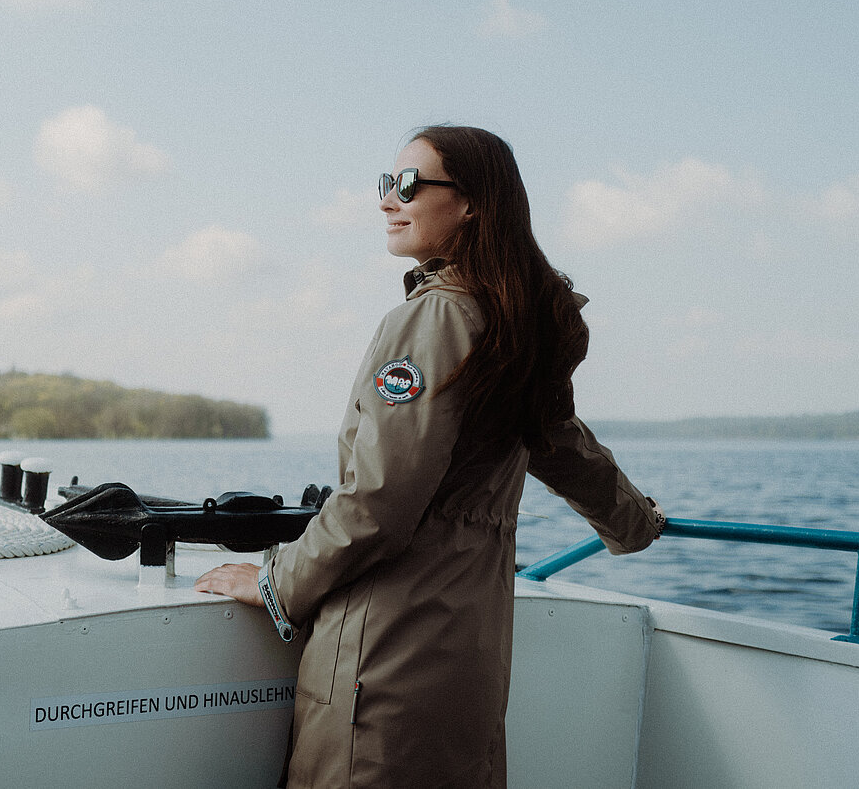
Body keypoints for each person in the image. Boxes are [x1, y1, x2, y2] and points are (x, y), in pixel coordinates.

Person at [194, 125, 664, 789]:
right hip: (466, 651)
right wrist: (635, 521)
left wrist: (275, 579)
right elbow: (561, 441)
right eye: (385, 184)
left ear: (473, 203)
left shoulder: (432, 320)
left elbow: (379, 502)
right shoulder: (514, 326)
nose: (388, 199)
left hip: (385, 657)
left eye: (409, 184)